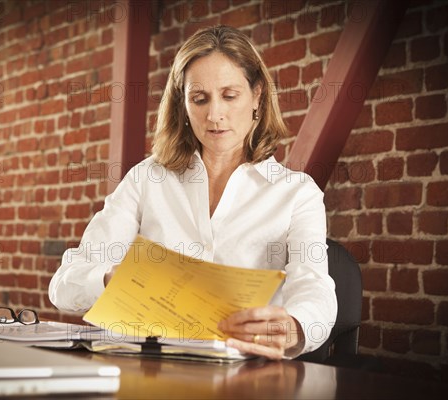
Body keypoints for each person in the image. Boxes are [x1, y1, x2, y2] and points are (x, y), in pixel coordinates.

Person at [49, 25, 337, 360]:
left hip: (245, 378)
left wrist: (295, 326)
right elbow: (64, 286)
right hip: (147, 371)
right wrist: (114, 279)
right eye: (199, 99)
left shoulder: (298, 193)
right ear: (182, 104)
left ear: (257, 96)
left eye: (229, 96)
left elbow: (315, 288)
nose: (214, 115)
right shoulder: (147, 179)